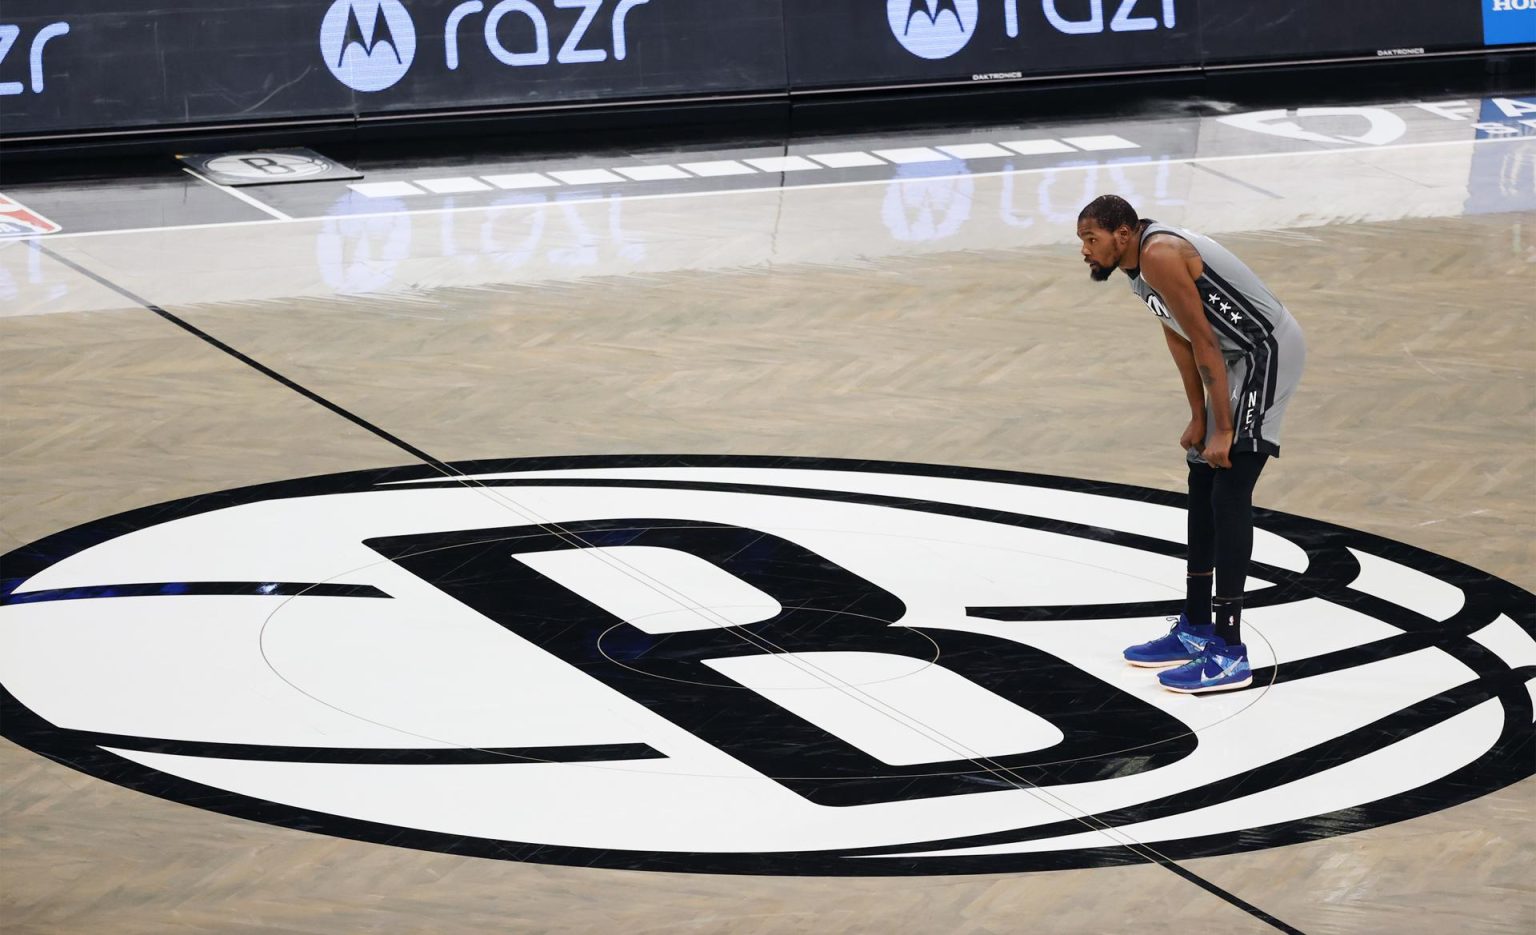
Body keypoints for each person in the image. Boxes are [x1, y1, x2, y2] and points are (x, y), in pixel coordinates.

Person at [1075, 194, 1306, 694]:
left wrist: (1225, 428)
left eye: (1091, 239)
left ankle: (1229, 652)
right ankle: (1197, 627)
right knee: (1200, 476)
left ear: (1122, 233)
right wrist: (1199, 418)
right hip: (1230, 361)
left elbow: (1205, 342)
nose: (1086, 251)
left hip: (1263, 354)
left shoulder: (1158, 254)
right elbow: (1178, 338)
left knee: (1229, 490)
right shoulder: (1137, 270)